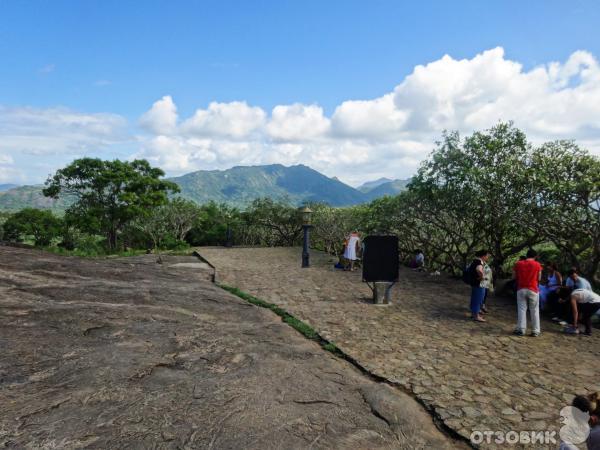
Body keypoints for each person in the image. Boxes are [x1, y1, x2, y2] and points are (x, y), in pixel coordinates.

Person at [513, 248, 543, 336]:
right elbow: (539, 278)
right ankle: (535, 331)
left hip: (521, 289)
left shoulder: (518, 264)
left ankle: (521, 329)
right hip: (533, 289)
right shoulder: (537, 265)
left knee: (522, 309)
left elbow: (514, 276)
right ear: (535, 256)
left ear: (527, 255)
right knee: (534, 310)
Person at [468, 250, 490, 322]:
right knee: (478, 299)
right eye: (487, 255)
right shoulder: (479, 262)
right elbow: (479, 270)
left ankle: (473, 314)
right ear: (483, 256)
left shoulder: (474, 261)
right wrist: (482, 277)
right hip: (479, 284)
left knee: (475, 298)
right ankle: (476, 316)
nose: (488, 257)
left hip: (475, 283)